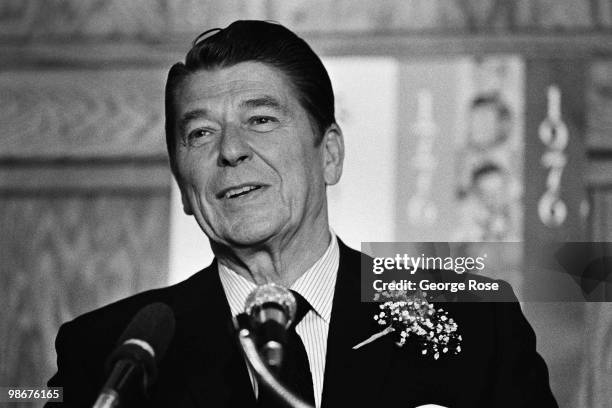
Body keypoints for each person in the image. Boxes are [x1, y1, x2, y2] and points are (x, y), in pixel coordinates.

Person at [46, 20, 558, 408]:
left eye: (262, 119)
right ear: (183, 185)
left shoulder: (473, 322)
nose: (231, 151)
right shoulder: (107, 356)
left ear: (329, 153)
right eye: (200, 133)